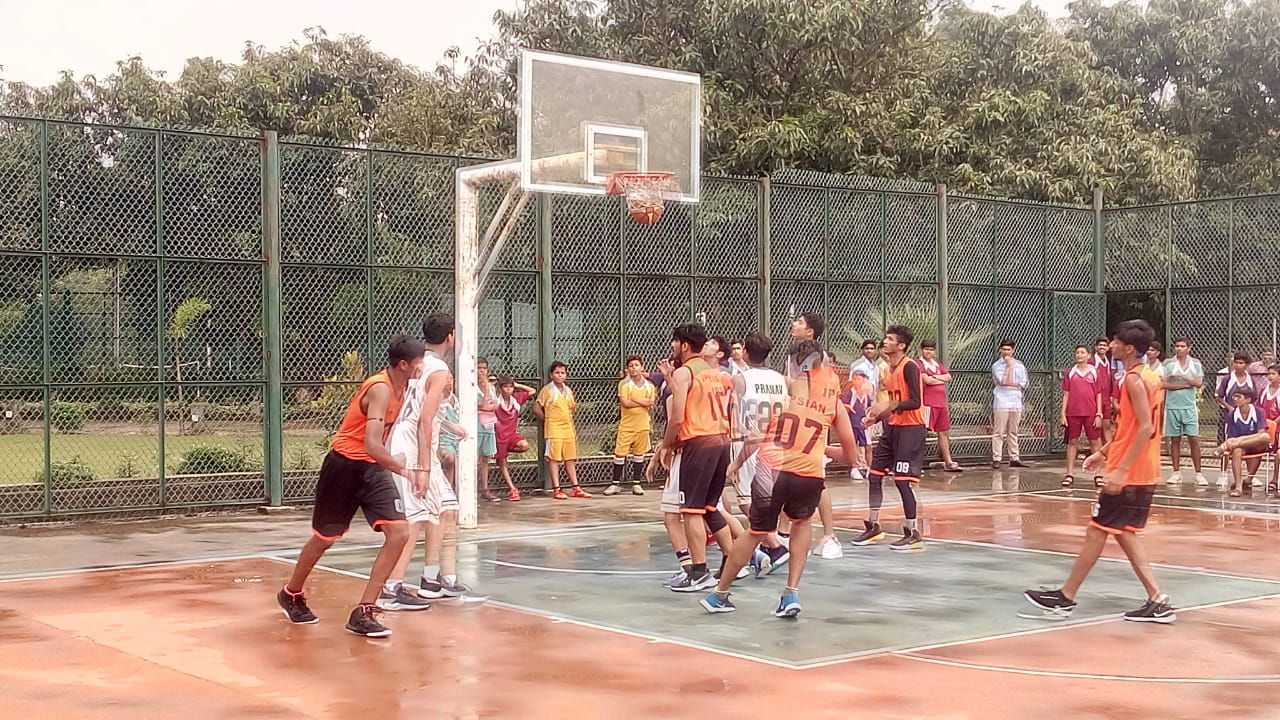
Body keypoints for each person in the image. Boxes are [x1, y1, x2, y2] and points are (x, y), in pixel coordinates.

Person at [1023, 319, 1175, 625]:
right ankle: (1156, 600)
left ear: (1129, 348)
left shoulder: (1133, 380)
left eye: (1116, 341)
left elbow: (1145, 428)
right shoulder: (1149, 376)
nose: (1111, 345)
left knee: (1098, 530)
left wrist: (1120, 470)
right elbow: (1132, 427)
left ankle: (1065, 598)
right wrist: (1102, 452)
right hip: (1142, 468)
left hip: (1131, 471)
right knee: (1121, 533)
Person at [277, 334, 421, 637]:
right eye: (418, 363)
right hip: (344, 466)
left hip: (372, 469)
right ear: (404, 364)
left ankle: (364, 611)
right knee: (325, 538)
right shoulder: (380, 389)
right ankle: (291, 593)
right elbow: (371, 444)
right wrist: (401, 467)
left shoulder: (405, 386)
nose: (422, 368)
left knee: (400, 533)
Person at [702, 340, 859, 617]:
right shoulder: (832, 401)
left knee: (755, 531)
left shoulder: (784, 391)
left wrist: (737, 462)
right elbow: (851, 454)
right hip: (808, 470)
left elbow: (759, 434)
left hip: (771, 467)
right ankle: (790, 594)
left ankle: (719, 594)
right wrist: (822, 448)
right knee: (802, 524)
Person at [384, 314, 475, 607]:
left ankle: (433, 580)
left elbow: (420, 409)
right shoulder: (439, 371)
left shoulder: (419, 362)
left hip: (414, 441)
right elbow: (423, 418)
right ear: (450, 336)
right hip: (412, 448)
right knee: (416, 518)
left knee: (446, 509)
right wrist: (423, 466)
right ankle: (390, 588)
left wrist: (450, 426)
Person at [658, 323, 734, 591]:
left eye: (675, 342)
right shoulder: (718, 375)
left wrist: (665, 446)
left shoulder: (684, 372)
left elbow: (677, 417)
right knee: (711, 507)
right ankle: (735, 560)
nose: (673, 347)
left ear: (684, 345)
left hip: (699, 443)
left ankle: (699, 571)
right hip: (723, 441)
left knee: (691, 510)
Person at [850, 325, 927, 551]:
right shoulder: (888, 369)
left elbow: (915, 402)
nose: (885, 341)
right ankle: (873, 525)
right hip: (892, 428)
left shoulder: (910, 367)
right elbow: (893, 404)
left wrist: (889, 405)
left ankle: (913, 532)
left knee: (902, 481)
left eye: (890, 339)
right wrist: (877, 417)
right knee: (874, 476)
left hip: (911, 430)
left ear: (901, 345)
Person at [786, 312, 842, 560]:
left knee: (818, 479)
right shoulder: (794, 353)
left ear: (810, 331)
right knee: (787, 475)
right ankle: (783, 532)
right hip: (796, 422)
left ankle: (830, 535)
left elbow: (809, 389)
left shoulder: (818, 358)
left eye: (799, 322)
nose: (794, 324)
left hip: (814, 424)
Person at [536, 361, 592, 499]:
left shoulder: (568, 390)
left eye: (562, 373)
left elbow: (571, 407)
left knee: (570, 459)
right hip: (554, 429)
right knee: (554, 459)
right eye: (557, 373)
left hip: (568, 429)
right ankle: (556, 489)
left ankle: (576, 488)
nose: (560, 375)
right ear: (551, 375)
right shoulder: (548, 390)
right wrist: (549, 420)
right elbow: (537, 408)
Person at [605, 356, 656, 497]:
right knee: (620, 454)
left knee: (639, 454)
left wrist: (634, 399)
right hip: (627, 425)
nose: (634, 368)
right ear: (627, 369)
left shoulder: (649, 385)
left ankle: (636, 483)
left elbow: (651, 402)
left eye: (637, 365)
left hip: (643, 425)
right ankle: (615, 483)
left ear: (642, 367)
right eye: (631, 366)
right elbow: (625, 403)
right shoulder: (624, 384)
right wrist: (642, 402)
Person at [1162, 337, 1207, 486]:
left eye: (1182, 346)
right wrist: (1182, 386)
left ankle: (1198, 473)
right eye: (1177, 346)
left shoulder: (1195, 364)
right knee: (1175, 439)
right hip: (1172, 406)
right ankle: (1176, 472)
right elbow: (1162, 383)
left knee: (1193, 439)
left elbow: (1198, 383)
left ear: (1189, 348)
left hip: (1189, 407)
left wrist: (1182, 377)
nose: (1179, 349)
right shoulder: (1168, 364)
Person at [1060, 345, 1103, 487]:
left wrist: (1099, 413)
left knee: (1095, 442)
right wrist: (1063, 413)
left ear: (1088, 356)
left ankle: (1098, 474)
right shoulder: (1070, 373)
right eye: (1077, 352)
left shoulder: (1094, 372)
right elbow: (1066, 394)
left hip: (1090, 412)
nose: (1079, 355)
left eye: (1082, 352)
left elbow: (1098, 394)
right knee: (1072, 442)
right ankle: (1069, 474)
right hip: (1073, 413)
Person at [1216, 386, 1271, 497]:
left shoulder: (1258, 412)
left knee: (1265, 437)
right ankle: (1238, 487)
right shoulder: (1233, 414)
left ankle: (1248, 479)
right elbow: (1232, 437)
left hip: (1256, 443)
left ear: (1248, 400)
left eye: (1239, 397)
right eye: (1234, 396)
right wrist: (1238, 443)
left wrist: (1240, 441)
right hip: (1242, 446)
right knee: (1236, 450)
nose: (1235, 399)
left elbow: (1261, 434)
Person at [919, 340, 962, 473]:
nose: (928, 352)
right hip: (927, 404)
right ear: (921, 350)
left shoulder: (937, 364)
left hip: (941, 403)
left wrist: (935, 377)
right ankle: (916, 463)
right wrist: (937, 378)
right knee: (921, 433)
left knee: (943, 432)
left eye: (931, 349)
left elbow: (948, 377)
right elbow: (927, 380)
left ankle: (948, 461)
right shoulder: (919, 364)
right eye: (926, 349)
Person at [493, 376, 535, 501]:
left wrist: (517, 385)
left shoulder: (516, 399)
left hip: (511, 435)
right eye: (505, 387)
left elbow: (532, 391)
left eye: (510, 387)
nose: (509, 389)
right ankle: (513, 489)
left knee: (524, 445)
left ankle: (503, 452)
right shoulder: (496, 401)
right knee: (503, 464)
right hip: (499, 436)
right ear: (500, 389)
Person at [991, 340, 1029, 469]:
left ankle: (1014, 457)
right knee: (999, 431)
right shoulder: (997, 365)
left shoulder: (1019, 365)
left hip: (1016, 400)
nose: (1006, 352)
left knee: (1013, 430)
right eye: (1004, 349)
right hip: (1001, 399)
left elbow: (1023, 382)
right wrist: (1008, 366)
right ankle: (997, 458)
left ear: (1013, 350)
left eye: (1008, 349)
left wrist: (1013, 380)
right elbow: (1003, 381)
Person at [475, 357, 500, 502]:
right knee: (472, 457)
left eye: (484, 368)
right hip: (476, 424)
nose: (482, 371)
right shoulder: (470, 385)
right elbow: (482, 404)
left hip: (488, 424)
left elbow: (495, 405)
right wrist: (484, 398)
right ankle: (470, 488)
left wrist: (485, 404)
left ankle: (485, 488)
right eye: (479, 368)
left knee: (485, 458)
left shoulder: (491, 387)